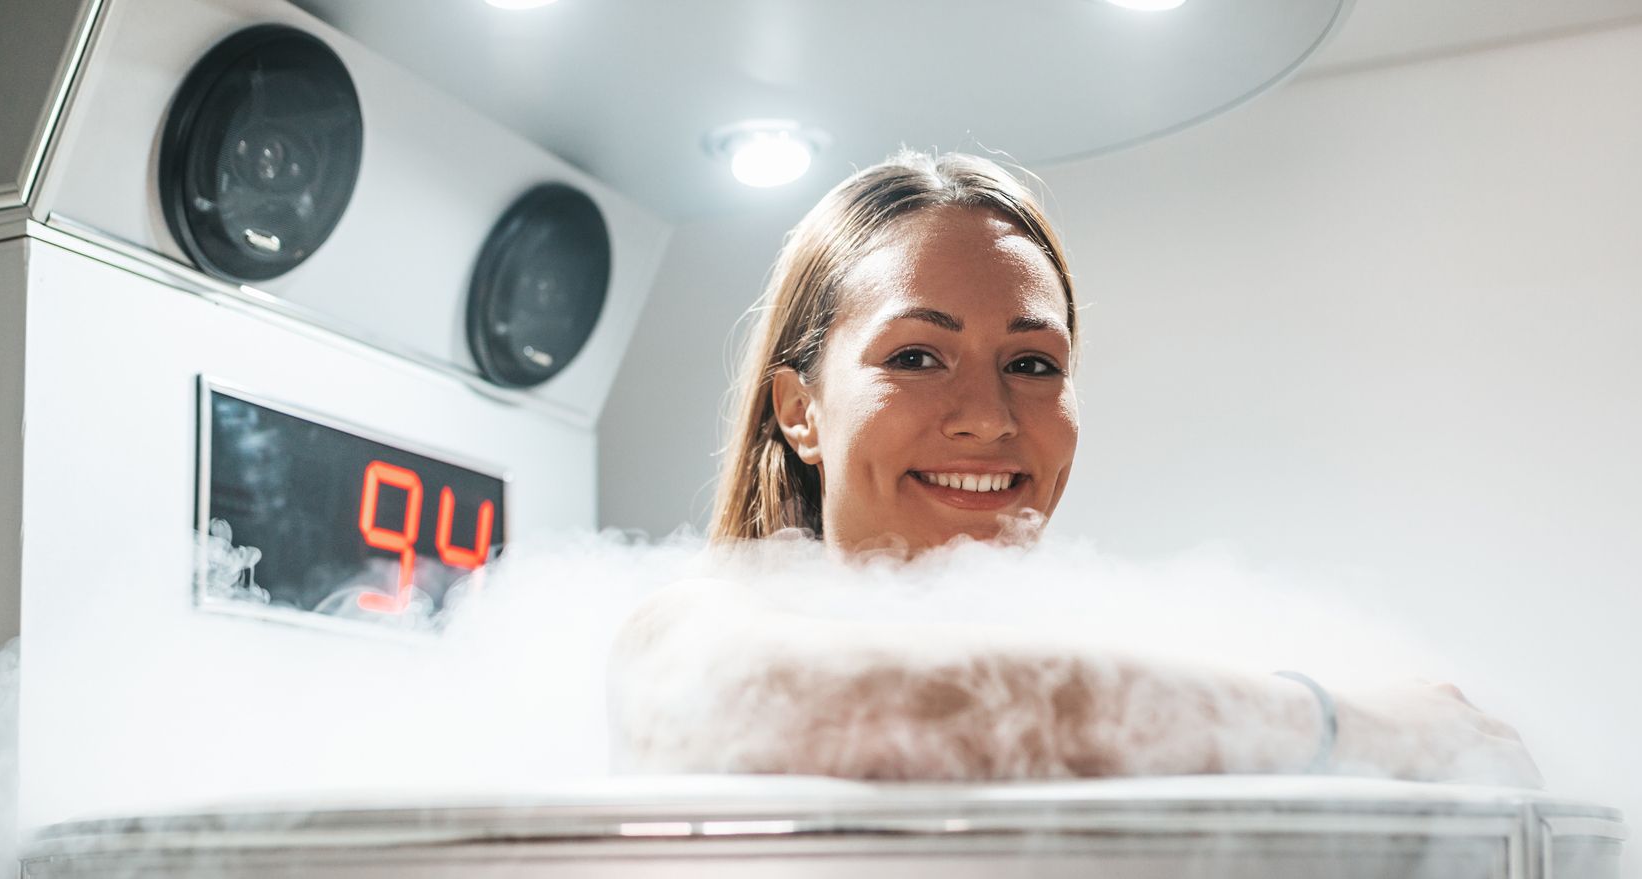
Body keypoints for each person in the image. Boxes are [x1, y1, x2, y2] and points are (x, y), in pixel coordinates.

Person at [611, 151, 1540, 788]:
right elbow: (849, 709)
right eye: (916, 357)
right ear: (798, 411)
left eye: (1031, 364)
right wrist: (1359, 729)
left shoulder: (1141, 662)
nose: (987, 416)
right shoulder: (690, 626)